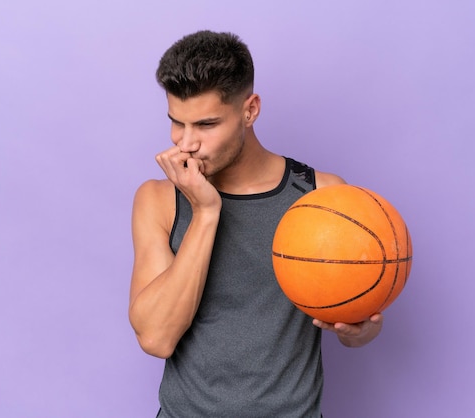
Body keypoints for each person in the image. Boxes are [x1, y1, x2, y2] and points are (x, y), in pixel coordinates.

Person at [129, 30, 383, 418]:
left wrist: (360, 331)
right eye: (177, 123)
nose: (186, 143)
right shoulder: (158, 199)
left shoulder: (323, 195)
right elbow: (156, 337)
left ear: (250, 110)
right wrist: (206, 212)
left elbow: (359, 325)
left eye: (207, 124)